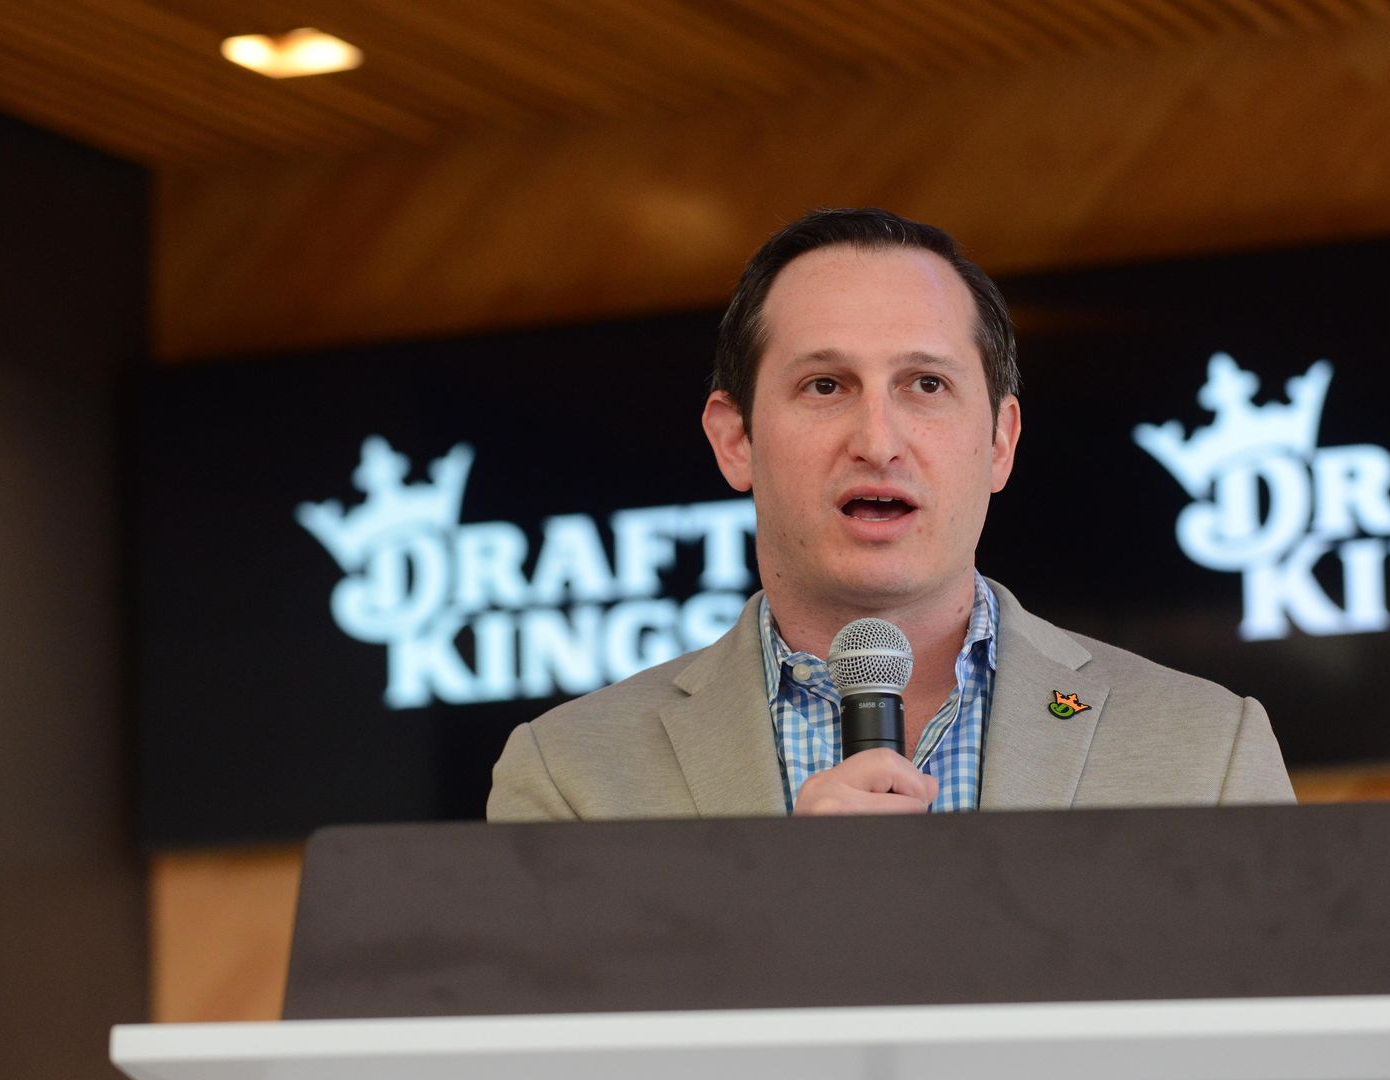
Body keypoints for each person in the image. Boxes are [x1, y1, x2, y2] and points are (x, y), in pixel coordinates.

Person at [487, 208, 1292, 821]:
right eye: (825, 386)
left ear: (1000, 441)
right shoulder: (569, 776)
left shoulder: (1206, 749)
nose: (877, 441)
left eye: (926, 385)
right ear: (736, 441)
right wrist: (783, 904)